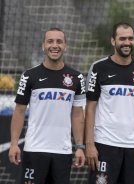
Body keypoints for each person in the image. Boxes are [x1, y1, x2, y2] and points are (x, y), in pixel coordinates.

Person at [8, 27, 86, 184]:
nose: (54, 45)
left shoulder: (76, 77)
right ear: (43, 45)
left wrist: (79, 146)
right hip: (34, 150)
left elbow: (77, 114)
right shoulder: (29, 76)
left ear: (66, 46)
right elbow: (19, 111)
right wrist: (14, 144)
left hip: (62, 151)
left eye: (59, 41)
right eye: (50, 41)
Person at [85, 22, 134, 184]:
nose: (127, 43)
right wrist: (89, 144)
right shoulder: (99, 68)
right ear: (113, 41)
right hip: (105, 145)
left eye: (130, 38)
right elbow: (90, 108)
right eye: (122, 38)